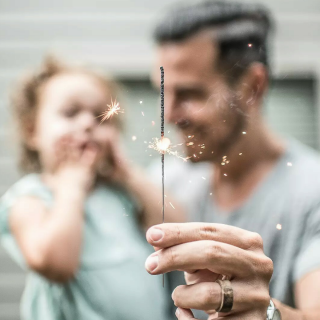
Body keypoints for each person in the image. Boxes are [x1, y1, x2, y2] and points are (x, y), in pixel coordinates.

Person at [148, 1, 320, 319]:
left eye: (189, 94)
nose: (169, 115)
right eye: (163, 93)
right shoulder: (169, 181)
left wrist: (266, 313)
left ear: (252, 88)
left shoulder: (312, 192)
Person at [0, 57, 184, 320]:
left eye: (102, 118)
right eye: (70, 113)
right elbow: (56, 264)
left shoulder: (121, 193)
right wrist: (72, 185)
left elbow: (178, 230)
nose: (88, 123)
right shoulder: (30, 198)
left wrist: (126, 172)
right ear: (32, 131)